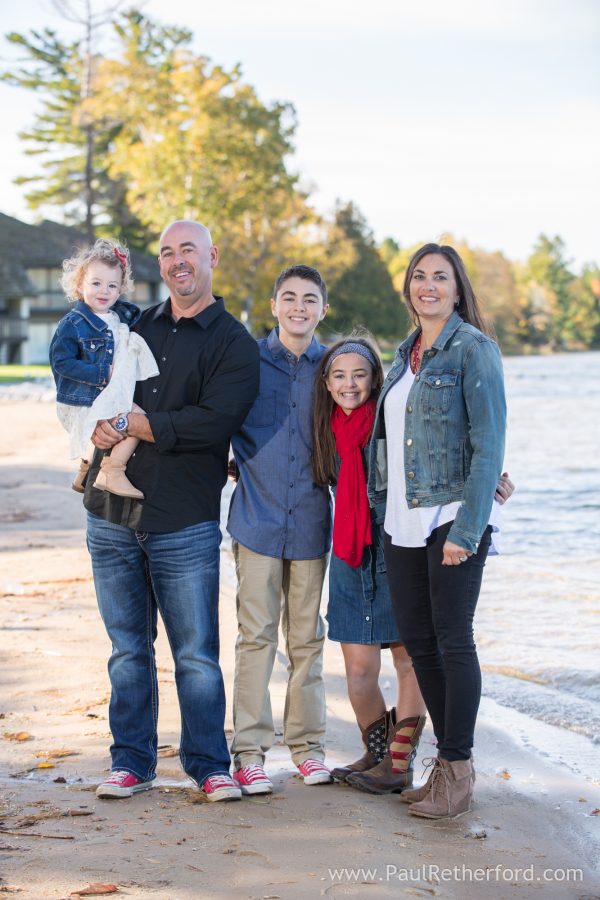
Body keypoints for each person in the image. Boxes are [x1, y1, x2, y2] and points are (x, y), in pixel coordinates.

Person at [83, 220, 260, 803]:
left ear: (211, 255)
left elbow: (216, 422)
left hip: (183, 518)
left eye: (188, 250)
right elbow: (100, 391)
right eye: (167, 253)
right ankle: (131, 762)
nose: (177, 261)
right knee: (128, 650)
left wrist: (140, 425)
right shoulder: (137, 323)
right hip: (109, 515)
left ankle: (208, 764)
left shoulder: (233, 341)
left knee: (195, 654)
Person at [367, 243, 507, 819]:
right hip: (402, 516)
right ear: (409, 288)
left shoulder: (474, 349)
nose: (428, 286)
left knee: (452, 637)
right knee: (419, 640)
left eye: (440, 278)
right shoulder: (405, 355)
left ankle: (459, 767)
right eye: (419, 277)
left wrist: (468, 527)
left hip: (450, 515)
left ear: (457, 288)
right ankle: (446, 769)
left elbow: (488, 442)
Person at [227, 265, 334, 793]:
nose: (299, 307)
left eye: (309, 299)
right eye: (289, 297)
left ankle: (308, 748)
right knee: (256, 639)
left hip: (313, 523)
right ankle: (248, 753)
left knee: (308, 641)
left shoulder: (336, 367)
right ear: (273, 305)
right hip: (257, 520)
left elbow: (369, 431)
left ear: (322, 310)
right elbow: (217, 417)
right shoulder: (246, 361)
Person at [312, 336, 427, 794]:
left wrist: (492, 480)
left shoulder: (393, 421)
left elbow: (437, 456)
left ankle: (398, 763)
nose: (349, 384)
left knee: (407, 660)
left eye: (359, 374)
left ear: (375, 379)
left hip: (394, 546)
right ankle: (377, 754)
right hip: (349, 555)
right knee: (358, 670)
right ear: (326, 383)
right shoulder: (326, 430)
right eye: (339, 375)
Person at [50, 239, 159, 500]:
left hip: (102, 393)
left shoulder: (116, 316)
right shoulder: (74, 323)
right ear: (79, 285)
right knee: (138, 418)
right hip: (84, 395)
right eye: (96, 283)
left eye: (112, 285)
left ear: (120, 289)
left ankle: (86, 470)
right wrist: (101, 373)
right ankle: (113, 470)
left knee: (128, 416)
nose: (104, 291)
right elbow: (61, 362)